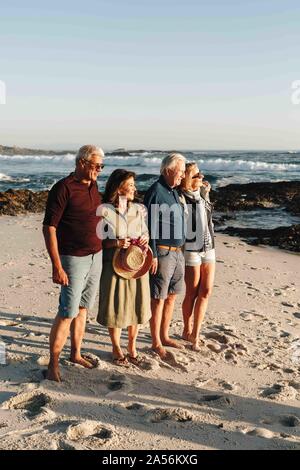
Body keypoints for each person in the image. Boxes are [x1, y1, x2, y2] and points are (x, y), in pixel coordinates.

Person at [43, 145, 104, 381]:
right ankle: (53, 365)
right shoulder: (63, 188)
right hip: (72, 259)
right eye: (96, 165)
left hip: (95, 256)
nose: (99, 170)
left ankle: (76, 353)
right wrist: (56, 266)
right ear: (81, 163)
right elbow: (49, 227)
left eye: (101, 166)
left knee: (82, 308)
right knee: (67, 311)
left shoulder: (94, 185)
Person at [97, 169, 152, 366]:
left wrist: (146, 239)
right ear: (119, 187)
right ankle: (115, 346)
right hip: (113, 264)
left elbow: (145, 233)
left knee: (137, 305)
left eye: (134, 185)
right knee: (116, 306)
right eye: (130, 185)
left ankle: (132, 346)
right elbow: (98, 242)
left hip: (136, 263)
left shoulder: (138, 209)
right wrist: (116, 243)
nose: (134, 188)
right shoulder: (105, 211)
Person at [144, 153, 186, 359]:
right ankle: (155, 342)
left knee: (171, 296)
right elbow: (149, 225)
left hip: (178, 253)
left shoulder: (174, 192)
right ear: (168, 170)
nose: (183, 175)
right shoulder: (156, 191)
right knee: (158, 298)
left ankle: (165, 335)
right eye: (181, 171)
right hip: (162, 252)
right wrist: (151, 254)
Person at [179, 162, 215, 351]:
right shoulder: (180, 197)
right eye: (196, 175)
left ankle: (196, 334)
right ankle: (187, 328)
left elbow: (208, 218)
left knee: (206, 291)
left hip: (209, 246)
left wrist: (205, 194)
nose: (200, 177)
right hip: (191, 248)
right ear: (186, 178)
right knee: (192, 293)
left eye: (200, 173)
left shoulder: (202, 194)